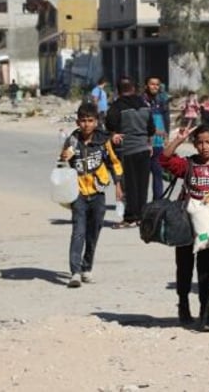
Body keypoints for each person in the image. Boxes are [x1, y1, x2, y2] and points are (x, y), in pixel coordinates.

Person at [160, 123, 209, 331]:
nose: (204, 147)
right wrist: (178, 139)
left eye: (208, 142)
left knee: (206, 269)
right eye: (200, 142)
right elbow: (164, 159)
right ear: (194, 144)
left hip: (207, 228)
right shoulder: (187, 165)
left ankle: (206, 309)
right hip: (185, 225)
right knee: (184, 266)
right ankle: (183, 305)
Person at [59, 103, 123, 288]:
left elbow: (114, 163)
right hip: (77, 193)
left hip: (98, 193)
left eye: (90, 121)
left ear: (96, 122)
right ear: (78, 121)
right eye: (83, 121)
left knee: (93, 232)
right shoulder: (72, 140)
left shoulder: (103, 141)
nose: (86, 124)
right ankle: (75, 272)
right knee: (78, 231)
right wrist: (64, 157)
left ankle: (87, 267)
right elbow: (63, 161)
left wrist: (118, 184)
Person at [106, 77, 155, 229]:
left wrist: (114, 134)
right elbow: (151, 129)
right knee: (142, 185)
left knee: (129, 185)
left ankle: (130, 218)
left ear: (118, 91)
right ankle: (141, 217)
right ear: (133, 89)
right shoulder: (144, 105)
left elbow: (109, 125)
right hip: (144, 150)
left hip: (127, 150)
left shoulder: (117, 106)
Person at [144, 76, 170, 200]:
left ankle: (157, 203)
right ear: (146, 85)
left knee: (158, 175)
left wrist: (166, 136)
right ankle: (140, 206)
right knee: (142, 178)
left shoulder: (162, 101)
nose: (155, 86)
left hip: (158, 143)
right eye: (152, 84)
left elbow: (166, 120)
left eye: (157, 84)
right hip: (144, 144)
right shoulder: (141, 101)